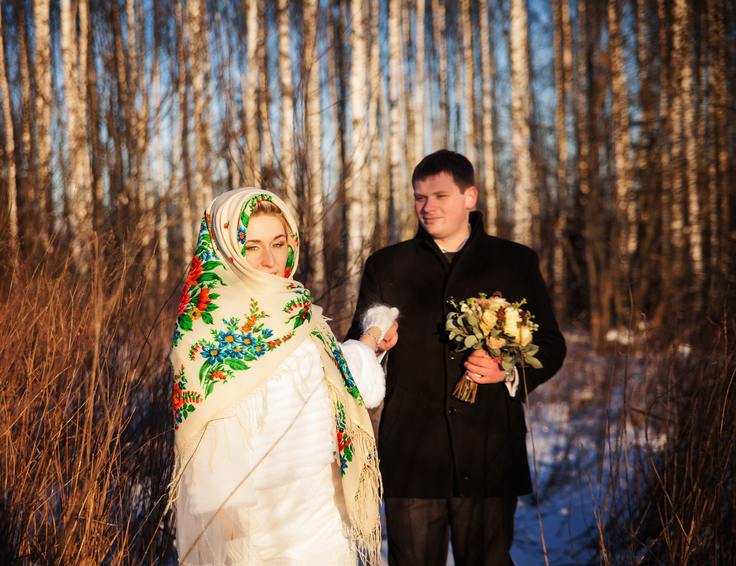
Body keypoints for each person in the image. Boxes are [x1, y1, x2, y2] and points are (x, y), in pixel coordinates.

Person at [347, 150, 566, 565]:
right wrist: (373, 343)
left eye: (440, 195)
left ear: (470, 197)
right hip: (411, 454)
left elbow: (552, 345)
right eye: (419, 197)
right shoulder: (387, 265)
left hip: (488, 452)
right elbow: (354, 353)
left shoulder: (514, 261)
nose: (427, 207)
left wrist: (507, 369)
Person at [170, 188, 399, 565]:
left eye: (278, 243)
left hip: (323, 510)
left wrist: (372, 338)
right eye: (252, 245)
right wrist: (231, 527)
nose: (270, 260)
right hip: (258, 519)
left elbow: (334, 381)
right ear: (226, 247)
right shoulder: (204, 329)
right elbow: (202, 433)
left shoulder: (297, 309)